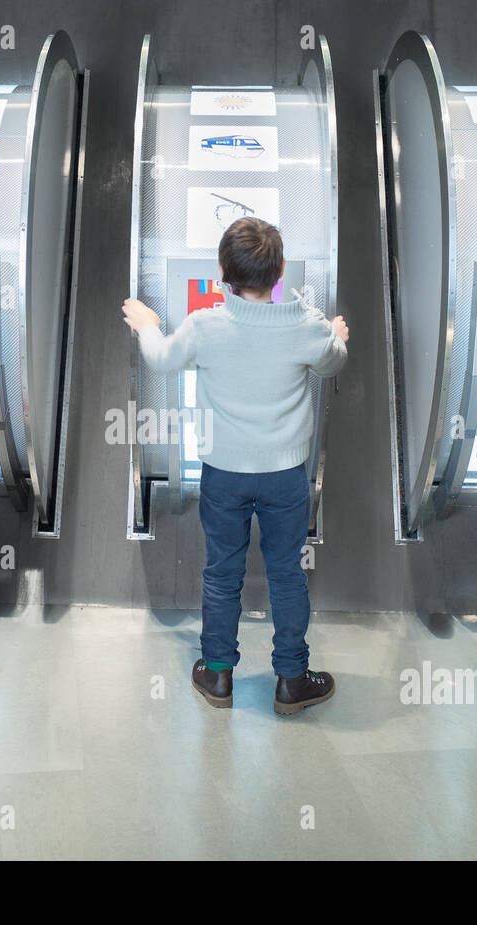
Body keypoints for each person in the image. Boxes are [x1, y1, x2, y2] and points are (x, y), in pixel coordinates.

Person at [122, 217, 348, 714]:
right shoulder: (304, 323)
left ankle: (218, 674)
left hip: (223, 473)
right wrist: (336, 334)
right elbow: (332, 362)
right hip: (286, 473)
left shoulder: (206, 325)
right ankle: (291, 679)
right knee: (287, 572)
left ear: (223, 270)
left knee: (222, 572)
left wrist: (147, 325)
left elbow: (160, 359)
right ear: (281, 269)